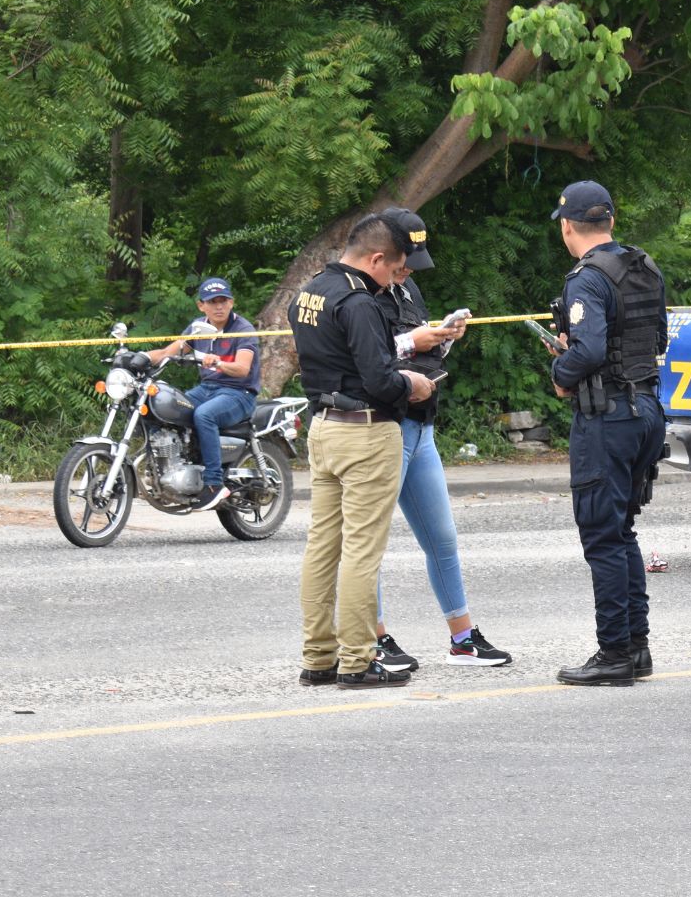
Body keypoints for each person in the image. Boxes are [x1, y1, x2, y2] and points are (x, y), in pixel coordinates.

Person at [289, 213, 436, 689]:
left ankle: (318, 658)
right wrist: (413, 384)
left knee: (322, 547)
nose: (396, 280)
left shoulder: (310, 292)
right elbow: (380, 379)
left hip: (324, 428)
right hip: (366, 433)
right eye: (394, 269)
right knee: (361, 552)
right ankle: (356, 660)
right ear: (375, 259)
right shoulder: (359, 302)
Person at [367, 207, 514, 672]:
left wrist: (443, 337)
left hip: (421, 426)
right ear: (382, 253)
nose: (408, 271)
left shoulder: (407, 286)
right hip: (383, 425)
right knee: (369, 543)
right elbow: (363, 357)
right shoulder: (358, 294)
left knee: (443, 539)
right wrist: (414, 340)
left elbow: (417, 347)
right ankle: (373, 639)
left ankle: (463, 639)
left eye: (413, 264)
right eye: (403, 262)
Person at [546, 180, 668, 687]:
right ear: (611, 221)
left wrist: (562, 370)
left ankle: (615, 652)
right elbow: (655, 337)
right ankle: (636, 648)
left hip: (608, 416)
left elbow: (592, 350)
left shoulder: (587, 278)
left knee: (602, 535)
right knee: (622, 530)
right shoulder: (644, 266)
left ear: (567, 227)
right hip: (647, 409)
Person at [146, 278, 260, 512]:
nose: (219, 306)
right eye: (212, 302)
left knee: (204, 415)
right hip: (207, 389)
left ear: (231, 302)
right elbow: (167, 353)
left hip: (239, 392)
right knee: (162, 407)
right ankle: (163, 470)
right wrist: (138, 357)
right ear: (201, 306)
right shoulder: (198, 327)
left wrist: (219, 363)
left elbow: (242, 369)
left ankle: (214, 484)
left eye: (223, 300)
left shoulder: (243, 329)